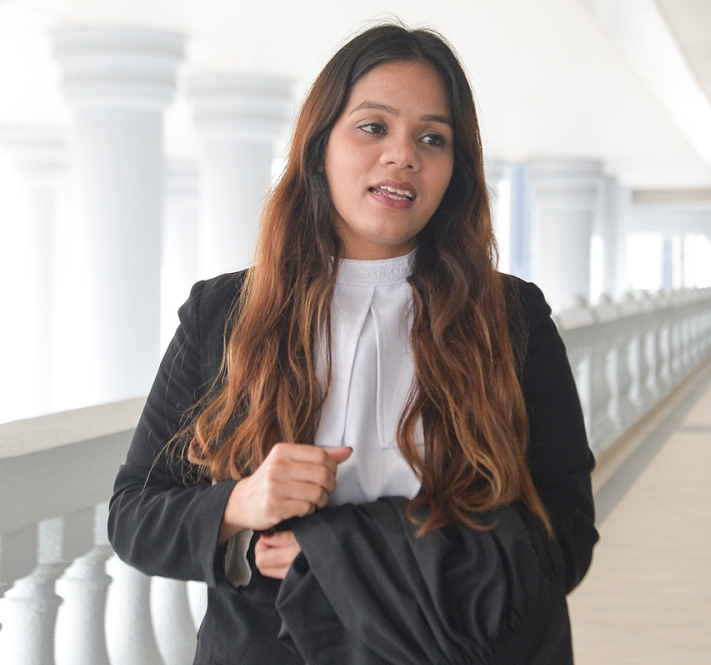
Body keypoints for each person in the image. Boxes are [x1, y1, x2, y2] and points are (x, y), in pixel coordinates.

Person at [109, 22, 597, 665]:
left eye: (433, 138)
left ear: (457, 169)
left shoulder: (508, 318)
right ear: (318, 147)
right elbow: (134, 514)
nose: (403, 156)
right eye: (373, 127)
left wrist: (345, 556)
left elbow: (564, 538)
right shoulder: (225, 313)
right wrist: (241, 503)